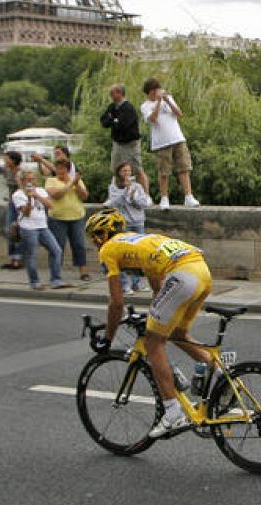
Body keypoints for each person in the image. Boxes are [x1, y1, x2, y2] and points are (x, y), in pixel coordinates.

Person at [85, 208, 214, 437]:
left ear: (101, 235)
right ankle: (222, 377)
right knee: (176, 334)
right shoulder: (139, 241)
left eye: (93, 238)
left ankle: (172, 413)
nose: (94, 244)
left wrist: (108, 338)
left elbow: (116, 302)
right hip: (202, 272)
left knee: (153, 343)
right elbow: (157, 289)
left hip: (183, 276)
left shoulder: (108, 249)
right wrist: (154, 319)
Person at [140, 77, 199, 210]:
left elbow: (179, 114)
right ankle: (164, 198)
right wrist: (159, 102)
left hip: (177, 138)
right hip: (161, 143)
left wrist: (167, 100)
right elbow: (153, 119)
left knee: (184, 168)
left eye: (158, 89)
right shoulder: (145, 106)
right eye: (155, 90)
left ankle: (188, 196)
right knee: (164, 172)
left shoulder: (168, 98)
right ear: (150, 92)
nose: (158, 92)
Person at [12, 168, 69, 290]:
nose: (31, 182)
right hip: (28, 228)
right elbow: (26, 213)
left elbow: (50, 205)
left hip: (42, 226)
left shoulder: (40, 191)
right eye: (28, 179)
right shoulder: (18, 195)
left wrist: (36, 195)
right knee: (32, 255)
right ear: (22, 181)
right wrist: (29, 199)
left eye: (33, 179)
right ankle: (34, 282)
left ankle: (56, 279)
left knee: (56, 250)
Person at [107, 161, 150, 294]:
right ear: (119, 173)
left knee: (138, 254)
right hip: (123, 223)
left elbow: (144, 203)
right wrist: (125, 191)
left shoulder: (137, 186)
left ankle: (137, 283)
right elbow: (114, 203)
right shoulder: (114, 187)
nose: (127, 173)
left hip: (138, 222)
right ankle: (125, 284)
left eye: (129, 171)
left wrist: (133, 197)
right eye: (124, 171)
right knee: (123, 254)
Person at [45, 158, 90, 281]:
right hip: (57, 219)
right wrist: (71, 183)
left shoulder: (77, 181)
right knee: (57, 246)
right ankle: (56, 273)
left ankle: (83, 271)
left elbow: (85, 196)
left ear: (68, 169)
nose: (60, 171)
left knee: (79, 245)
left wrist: (77, 184)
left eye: (63, 168)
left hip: (76, 217)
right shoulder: (51, 181)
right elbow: (56, 195)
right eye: (58, 168)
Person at [100, 84, 149, 194]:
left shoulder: (128, 108)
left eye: (112, 93)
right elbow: (104, 121)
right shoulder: (112, 107)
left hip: (130, 144)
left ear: (120, 93)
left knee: (137, 169)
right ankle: (115, 194)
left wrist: (113, 120)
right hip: (117, 143)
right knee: (115, 169)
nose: (110, 95)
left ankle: (146, 195)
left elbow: (123, 125)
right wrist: (114, 120)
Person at [0, 150, 23, 270]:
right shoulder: (7, 170)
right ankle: (12, 258)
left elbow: (23, 188)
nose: (5, 160)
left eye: (7, 158)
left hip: (19, 204)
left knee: (17, 230)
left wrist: (18, 179)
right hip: (11, 202)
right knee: (9, 230)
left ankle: (18, 259)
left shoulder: (21, 172)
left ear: (13, 160)